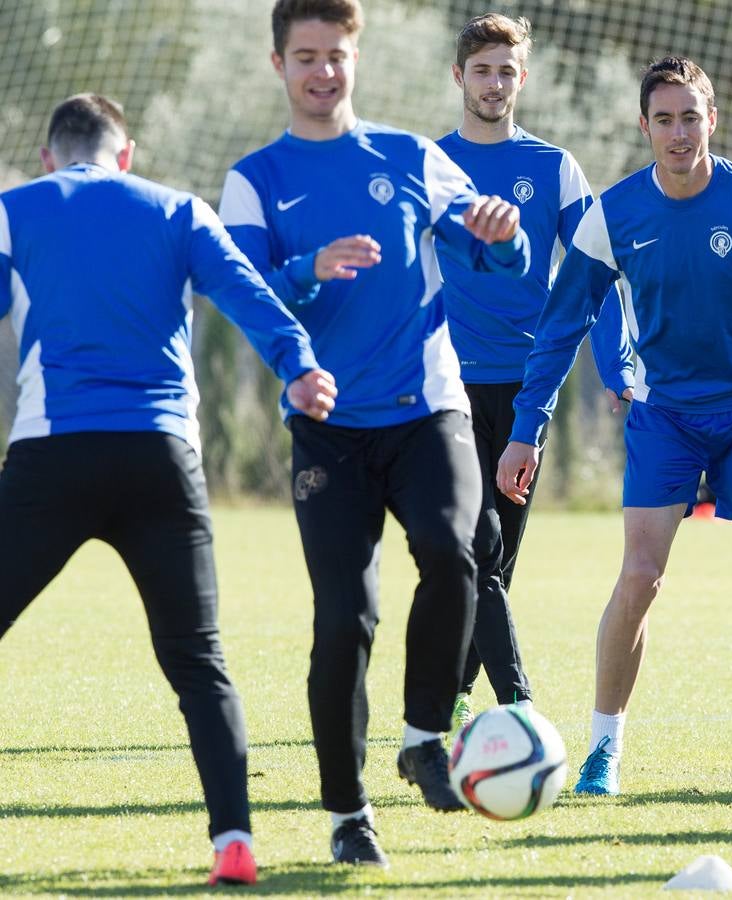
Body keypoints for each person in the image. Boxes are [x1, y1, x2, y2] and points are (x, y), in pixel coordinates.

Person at [218, 0, 529, 868]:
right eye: (306, 55)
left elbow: (497, 254)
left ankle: (426, 735)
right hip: (328, 431)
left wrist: (502, 238)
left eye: (337, 54)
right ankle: (348, 815)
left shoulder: (407, 157)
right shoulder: (255, 179)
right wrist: (306, 271)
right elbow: (248, 295)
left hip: (428, 411)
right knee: (344, 620)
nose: (323, 71)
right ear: (277, 63)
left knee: (456, 549)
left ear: (358, 58)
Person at [498, 56, 732, 797]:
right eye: (662, 119)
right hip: (664, 416)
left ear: (711, 119)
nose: (676, 132)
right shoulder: (614, 215)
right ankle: (604, 749)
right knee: (638, 577)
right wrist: (525, 426)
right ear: (644, 126)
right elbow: (561, 325)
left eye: (689, 117)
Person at [0, 93, 336, 887]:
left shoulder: (13, 210)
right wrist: (299, 368)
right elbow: (250, 293)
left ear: (51, 156)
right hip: (160, 460)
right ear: (127, 154)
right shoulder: (177, 208)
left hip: (53, 456)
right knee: (198, 662)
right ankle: (233, 841)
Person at [437, 13, 632, 729]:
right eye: (482, 70)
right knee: (473, 548)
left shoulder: (553, 168)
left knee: (495, 560)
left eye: (506, 70)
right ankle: (517, 706)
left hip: (529, 390)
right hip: (443, 387)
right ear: (459, 76)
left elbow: (592, 277)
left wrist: (615, 368)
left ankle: (453, 689)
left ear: (525, 77)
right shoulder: (428, 165)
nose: (494, 82)